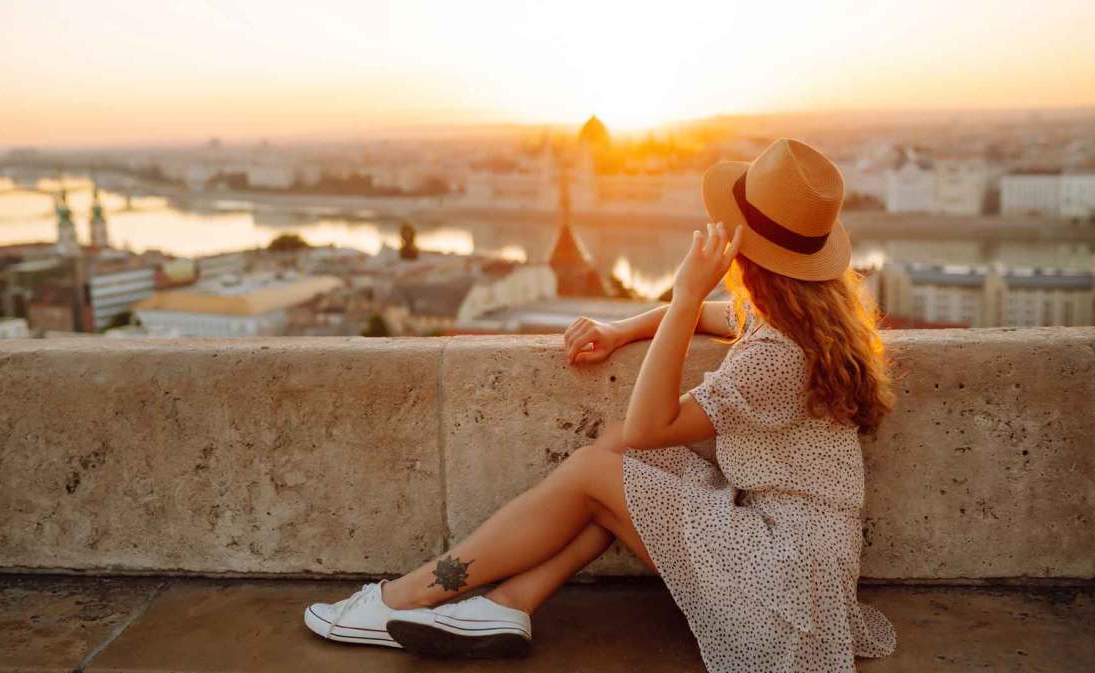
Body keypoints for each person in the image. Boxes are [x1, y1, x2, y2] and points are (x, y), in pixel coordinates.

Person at [304, 138, 898, 672]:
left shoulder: (775, 355)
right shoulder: (806, 315)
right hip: (800, 559)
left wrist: (689, 286)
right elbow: (703, 324)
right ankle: (510, 604)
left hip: (785, 588)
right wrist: (622, 328)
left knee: (602, 466)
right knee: (610, 454)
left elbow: (649, 426)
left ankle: (404, 598)